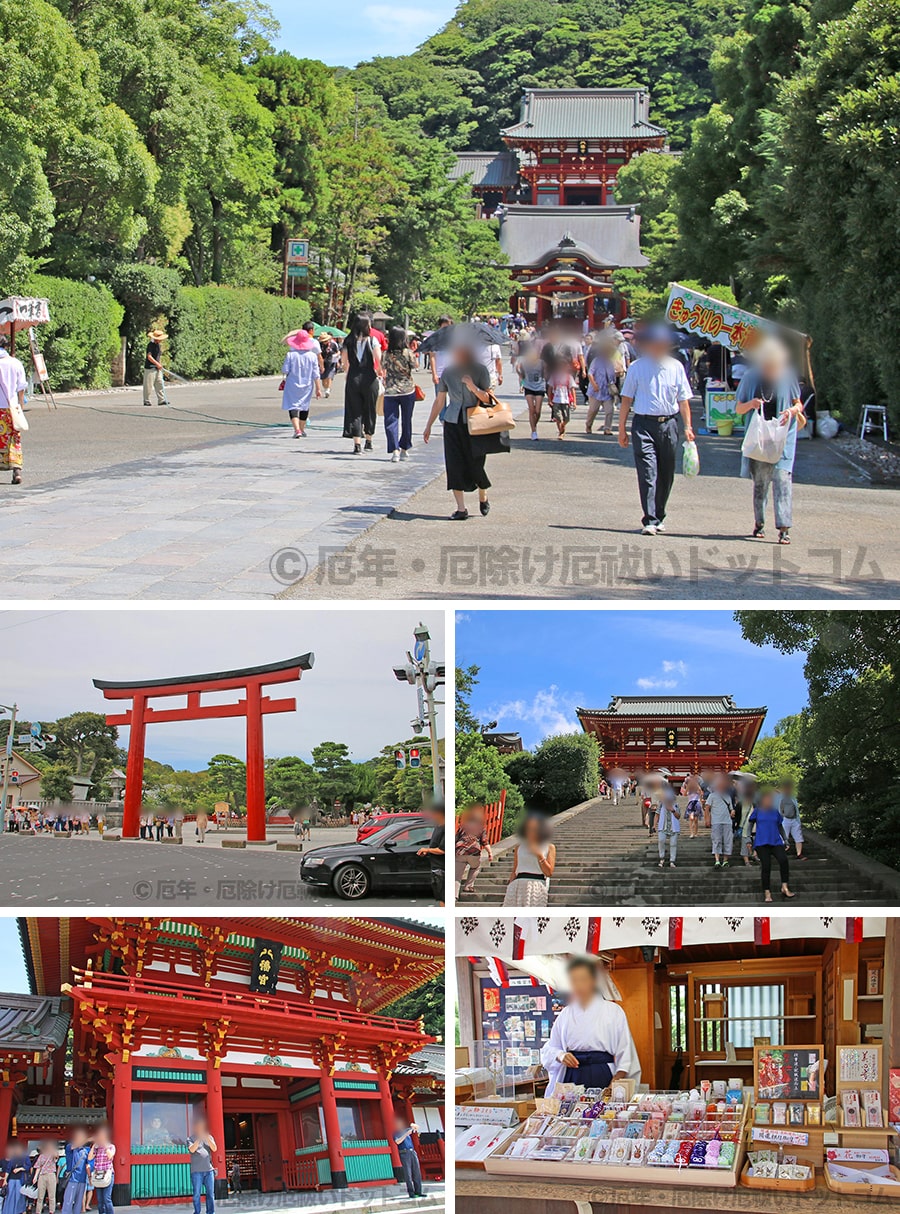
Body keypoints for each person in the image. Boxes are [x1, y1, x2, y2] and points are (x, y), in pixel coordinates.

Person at [618, 325, 695, 535]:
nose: (658, 348)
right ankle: (649, 519)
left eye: (662, 345)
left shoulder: (676, 367)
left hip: (669, 423)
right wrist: (622, 428)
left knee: (667, 472)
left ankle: (660, 514)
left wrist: (688, 426)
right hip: (643, 424)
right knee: (648, 472)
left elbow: (683, 400)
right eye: (655, 345)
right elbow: (626, 399)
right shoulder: (637, 367)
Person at [735, 336, 805, 544]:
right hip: (759, 438)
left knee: (783, 480)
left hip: (783, 438)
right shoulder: (750, 377)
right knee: (761, 484)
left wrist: (791, 411)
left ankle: (784, 528)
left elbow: (798, 404)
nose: (770, 369)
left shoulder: (788, 375)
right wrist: (752, 404)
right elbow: (738, 408)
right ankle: (760, 523)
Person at [540, 957, 641, 1096]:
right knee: (571, 1115)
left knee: (604, 1114)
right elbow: (550, 1048)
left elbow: (626, 1053)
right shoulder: (566, 1014)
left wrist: (616, 1081)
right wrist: (560, 1055)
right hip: (572, 1075)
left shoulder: (613, 1011)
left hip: (604, 1074)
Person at [422, 337, 493, 521]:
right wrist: (428, 425)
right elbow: (440, 400)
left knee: (476, 463)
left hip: (475, 423)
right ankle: (461, 508)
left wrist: (472, 387)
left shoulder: (480, 370)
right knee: (453, 464)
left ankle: (483, 495)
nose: (456, 354)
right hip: (452, 422)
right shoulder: (448, 372)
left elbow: (488, 398)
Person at [341, 317, 382, 454]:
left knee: (355, 411)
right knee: (370, 409)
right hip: (369, 378)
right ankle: (368, 441)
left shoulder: (348, 340)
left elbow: (344, 363)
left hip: (353, 377)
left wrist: (348, 373)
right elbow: (378, 359)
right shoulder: (372, 340)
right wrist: (381, 372)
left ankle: (357, 444)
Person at [749, 789, 796, 902]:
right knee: (766, 866)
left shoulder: (775, 812)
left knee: (783, 860)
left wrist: (785, 839)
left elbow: (780, 826)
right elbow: (750, 825)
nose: (769, 801)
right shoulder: (757, 811)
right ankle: (767, 892)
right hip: (761, 842)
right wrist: (748, 840)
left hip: (775, 841)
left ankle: (784, 886)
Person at [381, 327, 417, 463]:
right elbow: (415, 365)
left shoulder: (386, 354)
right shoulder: (408, 353)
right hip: (407, 390)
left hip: (390, 391)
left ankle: (394, 450)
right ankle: (404, 449)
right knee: (406, 420)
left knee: (391, 421)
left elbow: (382, 367)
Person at [503, 814, 555, 906]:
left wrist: (539, 855)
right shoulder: (519, 847)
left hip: (536, 886)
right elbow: (514, 871)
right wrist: (509, 887)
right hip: (518, 886)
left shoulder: (549, 847)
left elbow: (549, 872)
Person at [279, 336, 322, 438]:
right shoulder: (312, 356)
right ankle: (302, 429)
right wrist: (318, 388)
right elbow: (316, 374)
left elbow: (285, 370)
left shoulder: (290, 355)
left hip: (292, 384)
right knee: (304, 405)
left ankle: (297, 429)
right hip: (307, 384)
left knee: (293, 405)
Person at [0, 334, 27, 485]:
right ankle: (16, 470)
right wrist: (20, 406)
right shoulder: (15, 363)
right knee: (14, 438)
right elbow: (21, 387)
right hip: (11, 407)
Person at [455, 804, 494, 896]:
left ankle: (454, 895)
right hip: (474, 852)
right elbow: (485, 842)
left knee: (456, 876)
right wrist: (490, 853)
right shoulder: (481, 828)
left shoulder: (463, 826)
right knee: (475, 867)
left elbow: (456, 839)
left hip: (460, 852)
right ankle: (468, 886)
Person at [586, 338, 617, 435]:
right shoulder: (596, 361)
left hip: (607, 390)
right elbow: (590, 373)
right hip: (596, 390)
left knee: (609, 410)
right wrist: (594, 385)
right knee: (593, 410)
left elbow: (612, 376)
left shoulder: (611, 362)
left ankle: (607, 428)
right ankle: (588, 425)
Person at [516, 341, 546, 440]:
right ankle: (534, 431)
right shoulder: (524, 363)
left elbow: (545, 373)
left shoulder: (541, 363)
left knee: (537, 411)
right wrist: (518, 372)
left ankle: (534, 423)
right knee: (531, 409)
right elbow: (522, 375)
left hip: (539, 386)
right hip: (528, 386)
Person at [187, 1117, 216, 1214]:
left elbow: (214, 1148)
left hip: (209, 1171)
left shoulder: (209, 1137)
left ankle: (210, 1212)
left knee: (210, 1194)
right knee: (196, 1194)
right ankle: (197, 1212)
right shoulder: (190, 1138)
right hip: (196, 1172)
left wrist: (207, 1137)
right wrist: (199, 1138)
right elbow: (192, 1149)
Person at [417, 803, 445, 905]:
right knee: (440, 897)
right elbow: (435, 846)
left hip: (442, 868)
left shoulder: (445, 828)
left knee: (443, 898)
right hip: (435, 866)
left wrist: (427, 850)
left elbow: (443, 850)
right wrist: (427, 851)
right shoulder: (438, 827)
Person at [705, 772, 734, 869]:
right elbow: (707, 808)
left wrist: (732, 811)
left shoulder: (728, 796)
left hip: (727, 821)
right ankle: (717, 860)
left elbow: (731, 808)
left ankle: (725, 861)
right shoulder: (712, 796)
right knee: (716, 840)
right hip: (716, 821)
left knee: (728, 841)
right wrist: (707, 819)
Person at [60, 1130, 91, 1214]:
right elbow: (74, 1146)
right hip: (72, 1179)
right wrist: (88, 1139)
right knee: (68, 1201)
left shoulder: (85, 1151)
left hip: (82, 1180)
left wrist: (90, 1178)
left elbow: (87, 1165)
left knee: (78, 1203)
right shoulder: (70, 1147)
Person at [393, 1117, 424, 1199]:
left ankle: (419, 1191)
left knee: (417, 1172)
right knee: (408, 1174)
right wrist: (406, 1134)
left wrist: (413, 1126)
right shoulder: (396, 1133)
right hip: (404, 1153)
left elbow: (417, 1128)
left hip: (412, 1151)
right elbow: (397, 1141)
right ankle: (411, 1192)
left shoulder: (406, 1130)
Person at [86, 1126, 114, 1214]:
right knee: (100, 1200)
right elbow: (90, 1157)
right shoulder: (97, 1148)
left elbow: (110, 1156)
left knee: (107, 1198)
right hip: (98, 1174)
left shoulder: (111, 1146)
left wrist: (104, 1145)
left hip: (107, 1174)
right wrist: (94, 1146)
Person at [547, 354, 576, 439]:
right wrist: (549, 399)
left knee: (567, 418)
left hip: (566, 399)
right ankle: (561, 432)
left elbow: (572, 389)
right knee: (558, 417)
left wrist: (574, 401)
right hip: (556, 399)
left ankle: (563, 426)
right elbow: (550, 388)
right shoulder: (554, 376)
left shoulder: (568, 377)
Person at [776, 778, 806, 860]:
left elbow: (796, 809)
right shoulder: (779, 797)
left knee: (798, 837)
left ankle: (799, 853)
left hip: (794, 819)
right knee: (783, 837)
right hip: (785, 819)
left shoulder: (793, 798)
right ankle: (780, 853)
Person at [654, 785, 680, 869]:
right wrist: (654, 825)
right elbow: (657, 815)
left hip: (673, 827)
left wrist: (672, 810)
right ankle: (662, 858)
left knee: (673, 844)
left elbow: (678, 816)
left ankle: (672, 860)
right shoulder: (661, 805)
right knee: (661, 841)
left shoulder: (676, 805)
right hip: (663, 826)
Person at [32, 1140, 59, 1214]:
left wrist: (53, 1149)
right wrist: (35, 1177)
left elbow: (56, 1156)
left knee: (52, 1195)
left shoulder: (53, 1154)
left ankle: (51, 1211)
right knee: (40, 1195)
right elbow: (38, 1167)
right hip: (42, 1175)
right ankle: (38, 1211)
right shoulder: (41, 1156)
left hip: (51, 1174)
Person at [143, 328, 167, 408]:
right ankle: (147, 400)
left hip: (157, 368)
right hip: (150, 368)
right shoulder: (150, 345)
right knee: (148, 385)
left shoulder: (158, 346)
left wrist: (159, 364)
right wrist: (157, 364)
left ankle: (161, 400)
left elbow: (158, 356)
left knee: (159, 383)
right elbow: (149, 357)